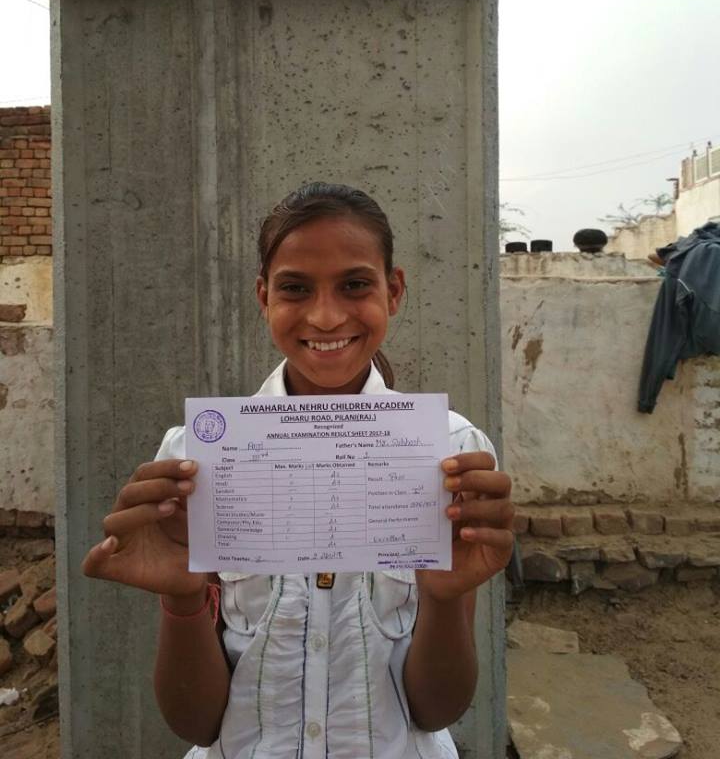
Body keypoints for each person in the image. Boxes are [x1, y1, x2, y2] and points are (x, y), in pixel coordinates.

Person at [82, 182, 514, 759]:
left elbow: (436, 711)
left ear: (395, 290)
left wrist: (441, 598)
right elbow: (198, 723)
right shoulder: (197, 459)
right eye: (295, 288)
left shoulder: (452, 454)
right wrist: (184, 600)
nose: (326, 315)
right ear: (264, 297)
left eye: (355, 284)